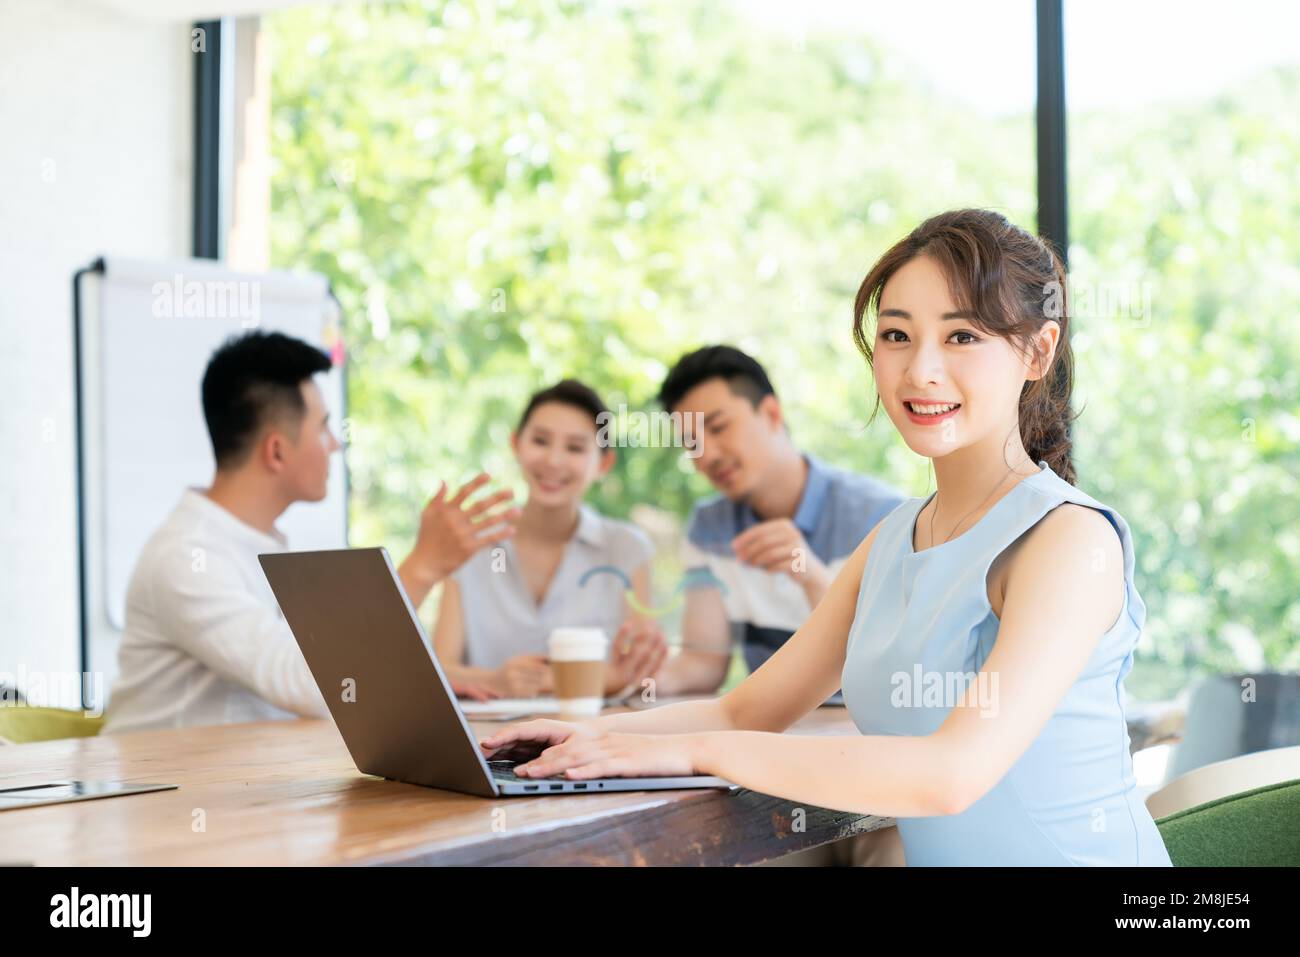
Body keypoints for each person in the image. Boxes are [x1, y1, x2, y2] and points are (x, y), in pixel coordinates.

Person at [480, 209, 1174, 866]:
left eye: (962, 336)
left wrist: (697, 750)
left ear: (1037, 351)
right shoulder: (894, 537)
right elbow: (745, 707)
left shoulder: (1069, 539)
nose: (920, 369)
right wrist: (579, 734)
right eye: (897, 335)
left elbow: (950, 773)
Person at [105, 331, 518, 733]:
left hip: (243, 788)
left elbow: (324, 672)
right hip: (171, 793)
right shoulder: (187, 557)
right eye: (323, 427)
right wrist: (423, 567)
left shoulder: (257, 543)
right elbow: (314, 685)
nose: (335, 444)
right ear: (277, 451)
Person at [650, 346, 904, 695]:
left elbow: (892, 669)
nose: (706, 455)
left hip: (860, 730)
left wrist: (812, 577)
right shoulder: (709, 529)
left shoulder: (882, 517)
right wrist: (642, 678)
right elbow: (703, 664)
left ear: (771, 413)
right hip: (771, 732)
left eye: (719, 427)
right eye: (691, 442)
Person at [433, 380, 667, 699]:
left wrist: (540, 680)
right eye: (541, 441)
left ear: (603, 463)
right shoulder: (471, 543)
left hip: (594, 736)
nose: (554, 461)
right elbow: (438, 668)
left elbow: (635, 670)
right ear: (516, 444)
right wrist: (494, 680)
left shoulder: (626, 549)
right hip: (485, 738)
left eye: (575, 448)